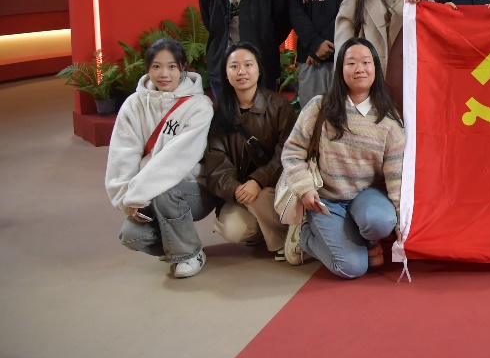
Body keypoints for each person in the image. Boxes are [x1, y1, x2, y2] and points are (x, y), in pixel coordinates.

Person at [280, 39, 405, 279]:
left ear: (376, 68)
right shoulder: (320, 107)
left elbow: (396, 178)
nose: (360, 69)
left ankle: (366, 240)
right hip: (325, 199)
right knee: (352, 268)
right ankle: (303, 235)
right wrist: (304, 188)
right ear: (340, 69)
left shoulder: (389, 120)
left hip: (365, 197)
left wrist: (401, 223)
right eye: (351, 63)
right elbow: (292, 152)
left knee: (381, 221)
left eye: (366, 62)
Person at [106, 38, 215, 279]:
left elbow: (175, 160)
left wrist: (139, 193)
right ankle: (180, 243)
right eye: (156, 66)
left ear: (183, 67)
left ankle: (189, 254)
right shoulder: (134, 105)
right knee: (131, 236)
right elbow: (122, 153)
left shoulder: (199, 106)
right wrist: (126, 197)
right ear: (148, 68)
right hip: (146, 191)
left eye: (172, 67)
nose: (164, 74)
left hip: (193, 189)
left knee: (165, 191)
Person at [201, 42, 297, 262]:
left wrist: (258, 180)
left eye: (248, 64)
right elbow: (216, 163)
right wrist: (236, 190)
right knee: (233, 229)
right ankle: (263, 229)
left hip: (277, 188)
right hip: (242, 194)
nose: (241, 71)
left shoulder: (279, 106)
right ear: (226, 74)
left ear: (259, 69)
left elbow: (288, 152)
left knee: (260, 196)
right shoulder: (220, 115)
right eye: (234, 66)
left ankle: (287, 239)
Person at [335, 0, 433, 110]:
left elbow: (433, 38)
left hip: (409, 83)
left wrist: (423, 11)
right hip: (367, 85)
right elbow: (343, 46)